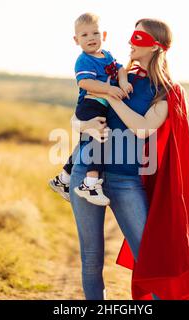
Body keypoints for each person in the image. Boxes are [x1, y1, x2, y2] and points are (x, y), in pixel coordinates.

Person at [69, 17, 189, 300]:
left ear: (156, 46)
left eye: (139, 38)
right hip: (86, 172)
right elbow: (79, 111)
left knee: (151, 259)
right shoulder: (117, 76)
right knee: (91, 259)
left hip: (125, 179)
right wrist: (82, 125)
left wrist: (112, 98)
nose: (130, 42)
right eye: (132, 36)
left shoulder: (166, 91)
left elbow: (143, 127)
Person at [49, 12, 133, 206]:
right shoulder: (84, 60)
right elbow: (85, 83)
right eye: (84, 35)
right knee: (101, 138)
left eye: (95, 33)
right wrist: (110, 89)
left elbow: (120, 68)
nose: (91, 38)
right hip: (89, 105)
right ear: (76, 40)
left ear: (103, 35)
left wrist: (123, 81)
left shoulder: (107, 55)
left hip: (100, 105)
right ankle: (90, 183)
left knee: (86, 143)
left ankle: (63, 179)